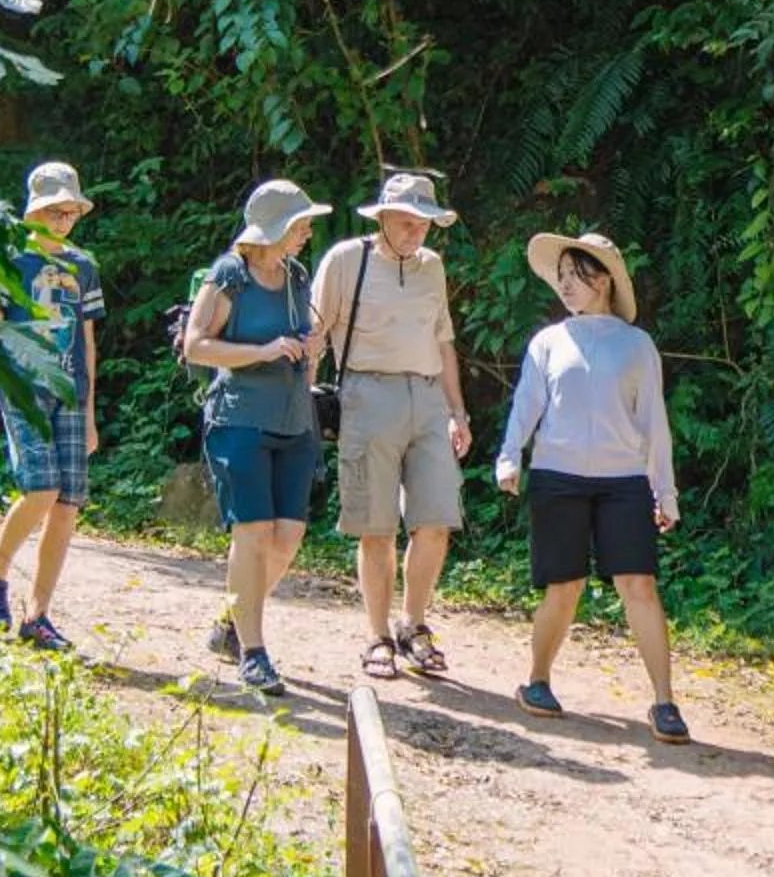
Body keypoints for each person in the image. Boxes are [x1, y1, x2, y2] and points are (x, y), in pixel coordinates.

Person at [494, 231, 691, 743]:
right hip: (558, 477)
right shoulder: (549, 341)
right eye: (560, 278)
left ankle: (664, 702)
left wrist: (663, 491)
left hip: (624, 481)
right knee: (564, 587)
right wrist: (509, 456)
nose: (565, 287)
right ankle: (537, 681)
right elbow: (526, 405)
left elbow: (653, 420)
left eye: (576, 276)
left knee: (639, 585)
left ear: (603, 279)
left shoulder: (636, 344)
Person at [310, 169, 472, 682]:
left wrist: (457, 411)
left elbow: (443, 340)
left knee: (437, 520)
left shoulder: (432, 266)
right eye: (406, 223)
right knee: (375, 527)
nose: (416, 233)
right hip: (365, 392)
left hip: (427, 397)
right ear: (381, 218)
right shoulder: (346, 260)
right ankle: (377, 635)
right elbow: (314, 333)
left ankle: (414, 624)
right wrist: (299, 403)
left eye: (424, 224)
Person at [181, 177, 331, 696]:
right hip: (239, 419)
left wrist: (312, 348)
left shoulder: (296, 275)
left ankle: (231, 620)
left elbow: (303, 341)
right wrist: (264, 351)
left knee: (287, 539)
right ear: (276, 228)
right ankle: (254, 651)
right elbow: (196, 347)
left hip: (294, 420)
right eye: (302, 224)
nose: (309, 232)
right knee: (254, 534)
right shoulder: (231, 274)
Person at [0, 161, 103, 652]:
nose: (63, 219)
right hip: (22, 385)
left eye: (71, 211)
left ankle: (38, 615)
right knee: (41, 489)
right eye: (55, 210)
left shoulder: (83, 265)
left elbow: (87, 343)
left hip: (70, 393)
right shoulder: (7, 259)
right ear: (36, 210)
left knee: (68, 505)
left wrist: (89, 414)